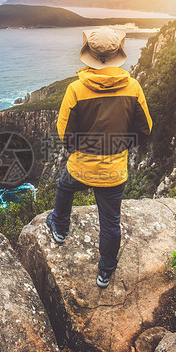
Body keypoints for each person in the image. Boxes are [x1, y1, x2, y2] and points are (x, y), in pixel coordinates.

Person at [45, 26, 153, 288]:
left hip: (82, 166)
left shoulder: (75, 89)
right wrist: (120, 146)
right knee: (110, 222)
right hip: (115, 170)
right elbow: (144, 129)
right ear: (118, 53)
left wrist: (81, 148)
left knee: (64, 186)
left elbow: (64, 133)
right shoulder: (134, 87)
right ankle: (105, 271)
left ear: (89, 54)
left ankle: (60, 228)